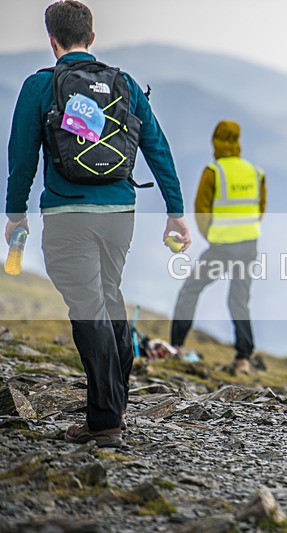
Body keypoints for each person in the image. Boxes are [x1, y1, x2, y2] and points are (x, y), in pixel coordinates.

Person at [5, 0, 191, 448]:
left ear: (52, 40)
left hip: (68, 215)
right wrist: (176, 211)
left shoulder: (40, 87)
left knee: (89, 307)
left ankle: (105, 420)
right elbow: (158, 148)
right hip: (120, 215)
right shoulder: (124, 84)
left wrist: (15, 217)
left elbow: (22, 159)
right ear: (92, 37)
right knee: (108, 298)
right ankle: (113, 407)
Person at [170, 120, 266, 374]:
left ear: (216, 140)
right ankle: (244, 358)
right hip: (249, 245)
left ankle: (176, 346)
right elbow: (260, 210)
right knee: (239, 300)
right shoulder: (255, 172)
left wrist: (212, 237)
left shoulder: (214, 171)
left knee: (190, 290)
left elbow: (202, 212)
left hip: (222, 246)